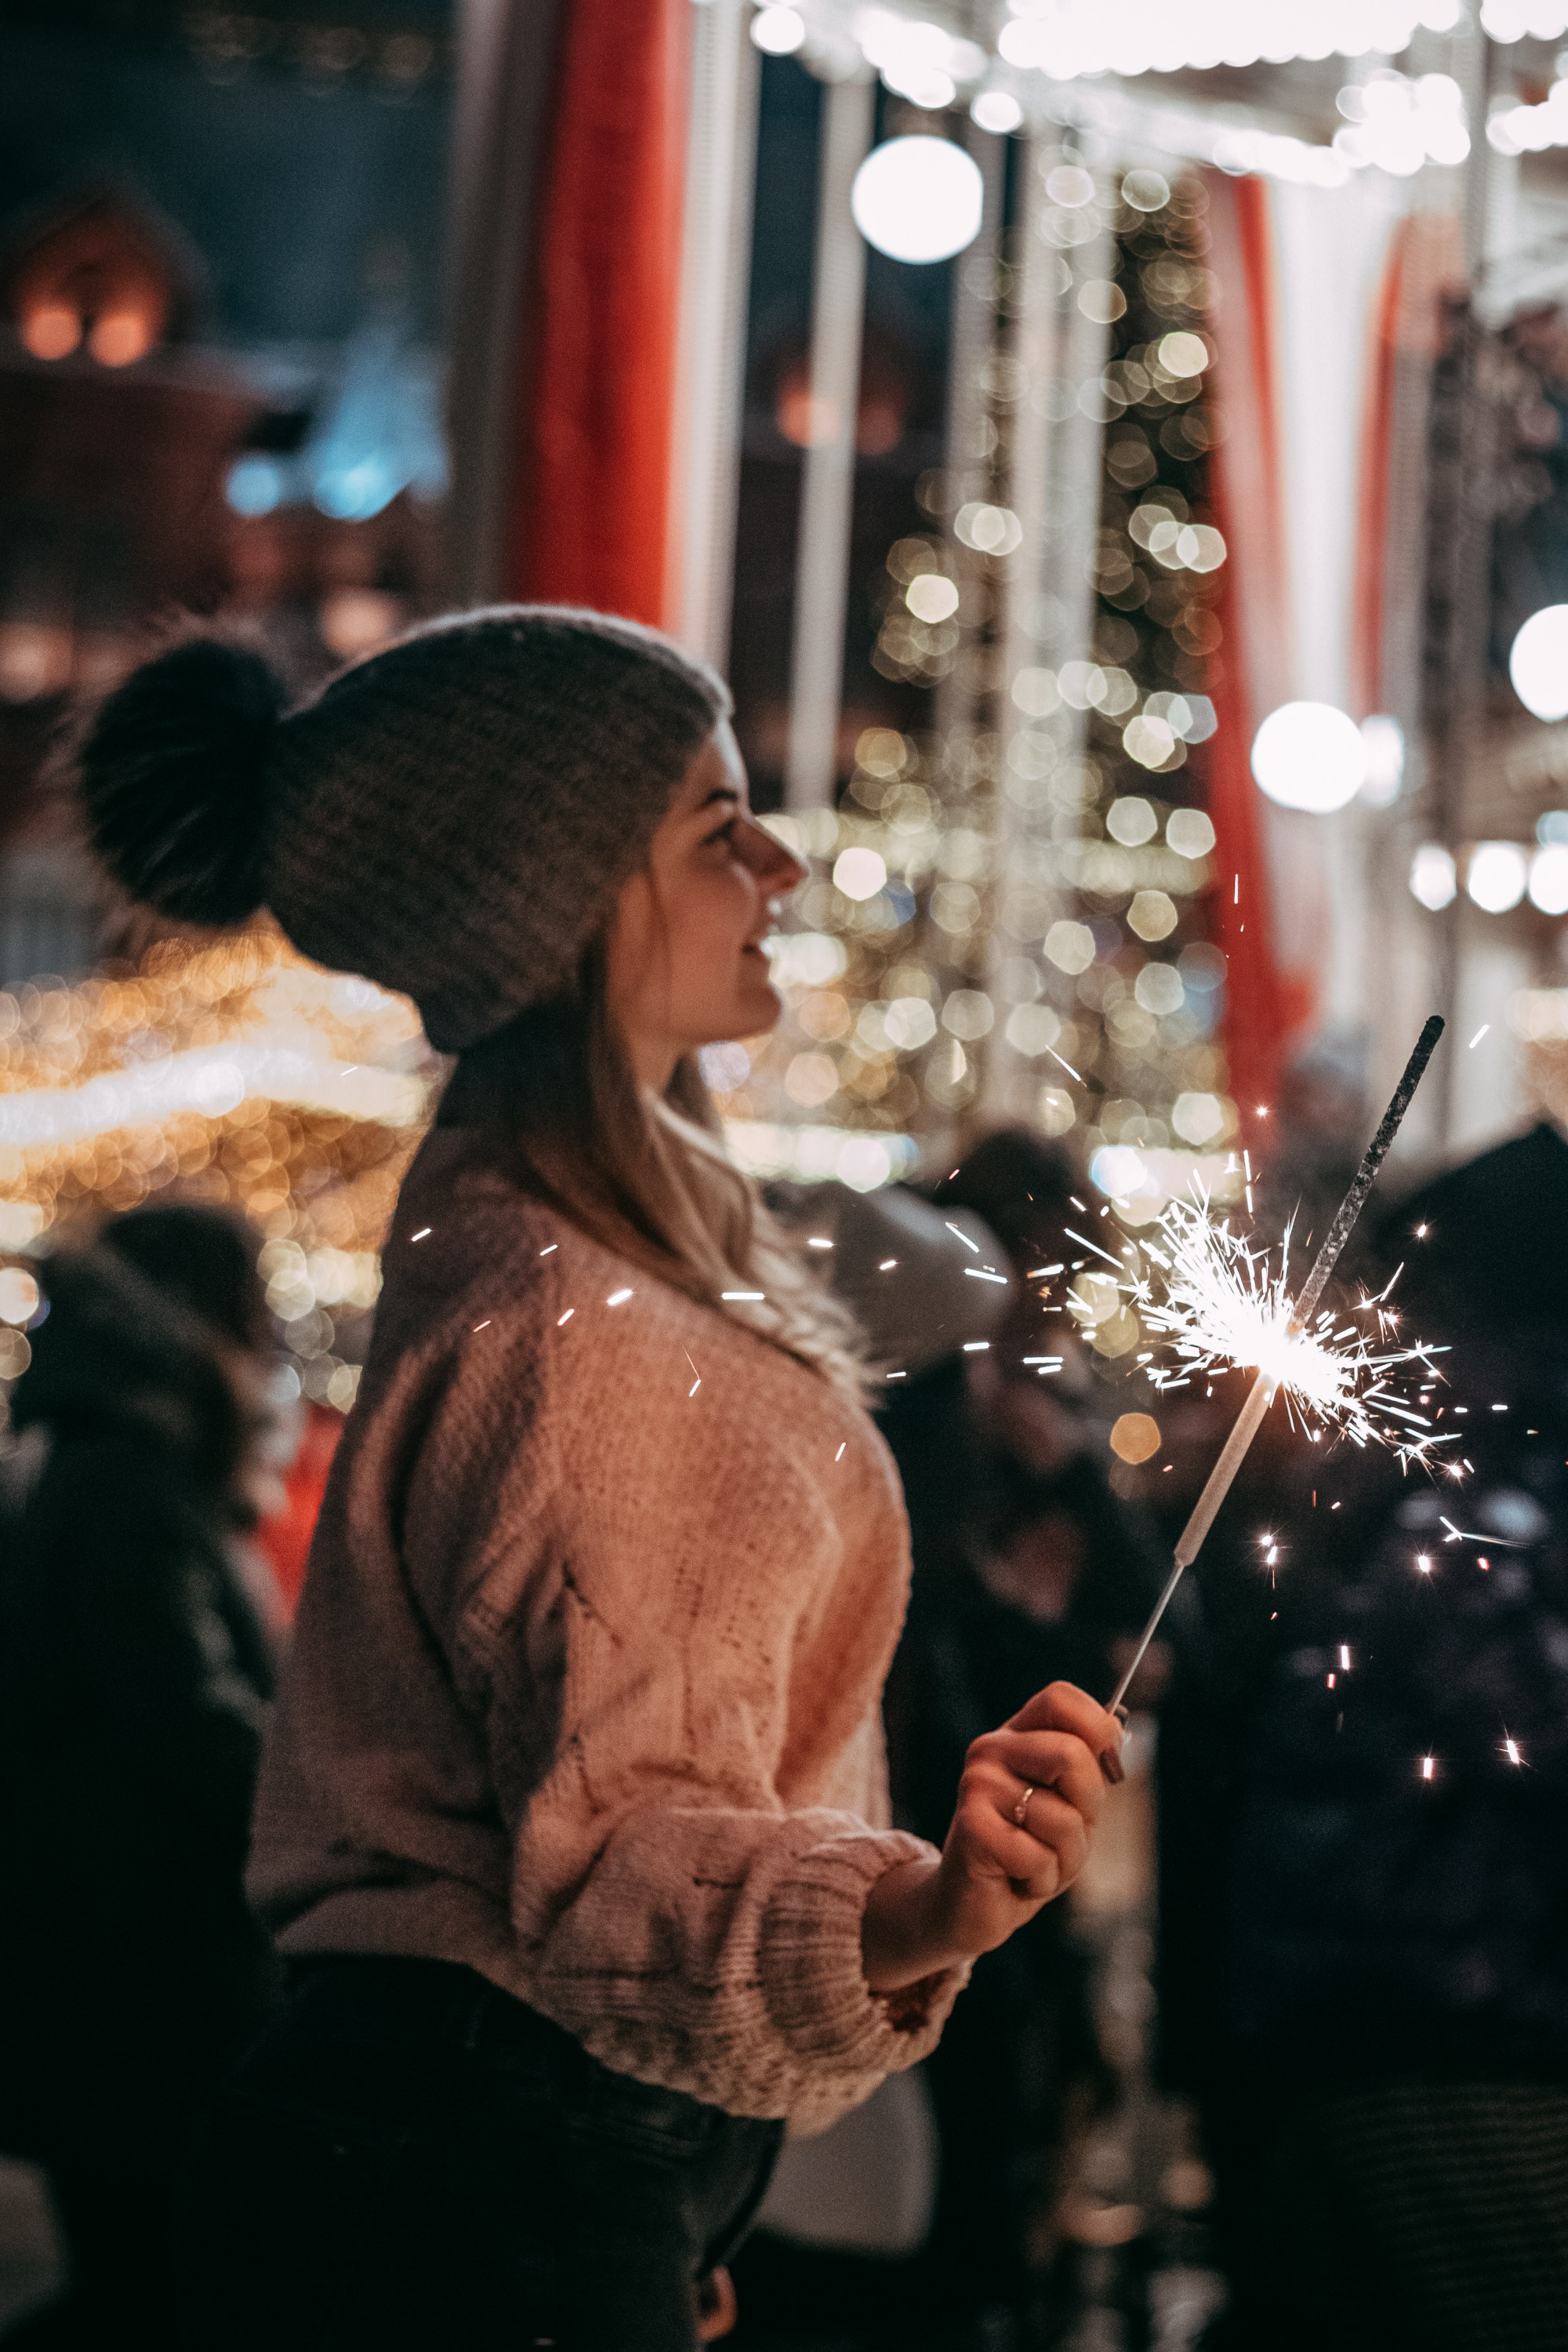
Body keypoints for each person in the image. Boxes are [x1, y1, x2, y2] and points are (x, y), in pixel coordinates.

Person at [69, 608, 1125, 2352]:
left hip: (478, 2166)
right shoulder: (593, 1327)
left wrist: (633, 2205)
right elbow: (620, 1859)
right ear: (559, 913)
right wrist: (927, 1903)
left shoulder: (543, 1260)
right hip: (482, 2162)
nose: (777, 864)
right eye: (714, 831)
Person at [0, 1204, 284, 2349]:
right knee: (159, 2288)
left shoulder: (88, 1454)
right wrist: (324, 1805)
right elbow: (180, 1711)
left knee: (137, 2275)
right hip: (143, 1966)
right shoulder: (132, 1479)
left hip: (98, 1953)